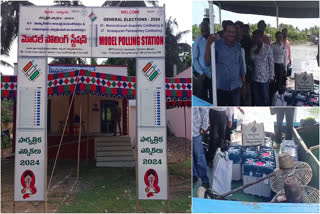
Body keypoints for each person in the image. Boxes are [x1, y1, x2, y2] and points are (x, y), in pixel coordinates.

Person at [205, 21, 246, 106]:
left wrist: (243, 83)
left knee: (233, 110)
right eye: (229, 32)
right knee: (221, 109)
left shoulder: (238, 46)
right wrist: (208, 45)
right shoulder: (216, 45)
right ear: (224, 33)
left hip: (235, 87)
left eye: (233, 32)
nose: (232, 34)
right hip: (220, 88)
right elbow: (207, 62)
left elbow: (241, 66)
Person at [251, 30, 274, 106]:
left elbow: (271, 62)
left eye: (258, 37)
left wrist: (271, 76)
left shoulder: (268, 48)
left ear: (262, 37)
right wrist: (256, 51)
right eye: (255, 38)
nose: (257, 39)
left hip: (265, 78)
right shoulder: (253, 48)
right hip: (255, 78)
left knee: (266, 98)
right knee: (257, 98)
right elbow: (251, 60)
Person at [193, 20, 214, 102]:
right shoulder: (197, 41)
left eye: (206, 30)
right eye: (202, 30)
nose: (204, 32)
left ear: (209, 29)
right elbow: (194, 59)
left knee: (213, 96)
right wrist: (201, 73)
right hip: (201, 73)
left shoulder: (214, 39)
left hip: (213, 73)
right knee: (201, 96)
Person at [192, 107, 210, 190]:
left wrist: (204, 126)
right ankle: (193, 176)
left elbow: (204, 109)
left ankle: (205, 180)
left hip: (196, 130)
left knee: (199, 156)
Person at [271, 31, 287, 99]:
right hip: (274, 65)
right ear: (276, 37)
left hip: (281, 66)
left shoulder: (283, 45)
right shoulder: (272, 45)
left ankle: (280, 96)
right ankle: (274, 96)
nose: (279, 38)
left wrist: (285, 68)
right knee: (275, 83)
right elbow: (270, 58)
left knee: (281, 82)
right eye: (278, 36)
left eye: (280, 37)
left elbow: (284, 57)